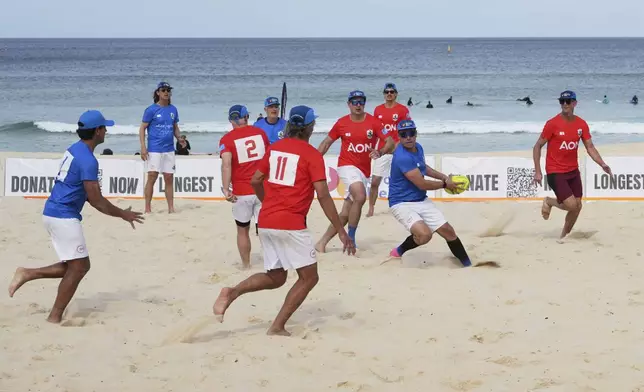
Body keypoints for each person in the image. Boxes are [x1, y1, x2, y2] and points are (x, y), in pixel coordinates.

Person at [213, 105, 356, 336]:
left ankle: (232, 292)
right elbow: (323, 195)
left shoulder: (275, 148)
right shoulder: (311, 155)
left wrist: (267, 202)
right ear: (309, 128)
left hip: (267, 221)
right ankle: (277, 326)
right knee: (310, 278)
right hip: (290, 223)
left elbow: (256, 180)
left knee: (276, 277)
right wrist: (340, 230)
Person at [7, 110, 144, 323]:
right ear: (97, 131)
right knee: (79, 267)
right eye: (104, 127)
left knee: (77, 265)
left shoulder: (75, 149)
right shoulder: (88, 160)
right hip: (63, 216)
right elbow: (96, 200)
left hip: (53, 212)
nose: (106, 131)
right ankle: (53, 314)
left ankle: (29, 274)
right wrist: (123, 214)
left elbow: (85, 193)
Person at [315, 90, 395, 251]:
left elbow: (390, 141)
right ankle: (350, 239)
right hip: (346, 166)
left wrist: (380, 152)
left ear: (364, 104)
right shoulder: (341, 123)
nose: (358, 105)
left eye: (361, 102)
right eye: (354, 102)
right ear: (349, 104)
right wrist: (311, 162)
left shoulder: (374, 122)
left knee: (346, 213)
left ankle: (321, 243)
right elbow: (325, 143)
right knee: (360, 195)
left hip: (364, 171)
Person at [386, 120, 472, 267]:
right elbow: (422, 183)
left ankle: (468, 265)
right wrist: (445, 184)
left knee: (448, 232)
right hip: (401, 203)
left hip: (420, 199)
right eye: (404, 134)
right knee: (425, 235)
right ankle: (399, 251)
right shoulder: (402, 156)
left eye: (411, 133)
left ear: (416, 134)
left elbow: (425, 168)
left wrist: (444, 177)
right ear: (398, 136)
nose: (408, 137)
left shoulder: (418, 148)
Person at [533, 90, 612, 240]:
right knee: (571, 205)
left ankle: (563, 237)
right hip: (555, 171)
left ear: (574, 103)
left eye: (568, 101)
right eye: (561, 101)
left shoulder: (581, 124)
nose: (564, 104)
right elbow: (537, 146)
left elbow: (590, 147)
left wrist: (602, 163)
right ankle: (549, 201)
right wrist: (537, 171)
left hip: (573, 171)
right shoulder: (552, 124)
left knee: (578, 206)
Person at [219, 105, 270, 269]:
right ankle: (271, 263)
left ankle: (246, 265)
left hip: (241, 191)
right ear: (246, 117)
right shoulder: (260, 133)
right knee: (265, 229)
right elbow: (270, 158)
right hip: (262, 187)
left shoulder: (227, 139)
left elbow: (226, 165)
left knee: (242, 230)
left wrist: (226, 189)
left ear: (230, 120)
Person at [368, 82, 411, 217]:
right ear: (384, 94)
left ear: (396, 94)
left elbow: (408, 129)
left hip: (399, 149)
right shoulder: (378, 110)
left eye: (392, 92)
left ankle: (406, 204)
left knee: (405, 179)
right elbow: (375, 131)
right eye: (387, 92)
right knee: (375, 181)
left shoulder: (402, 110)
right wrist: (371, 147)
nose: (389, 94)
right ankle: (371, 208)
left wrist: (398, 145)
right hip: (382, 150)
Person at [138, 81, 183, 214]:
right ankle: (147, 208)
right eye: (163, 90)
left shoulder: (173, 109)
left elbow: (175, 127)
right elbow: (142, 128)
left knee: (169, 177)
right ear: (158, 92)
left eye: (168, 90)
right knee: (152, 176)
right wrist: (143, 147)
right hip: (154, 149)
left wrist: (179, 138)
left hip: (169, 149)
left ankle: (171, 208)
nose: (166, 92)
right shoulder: (151, 110)